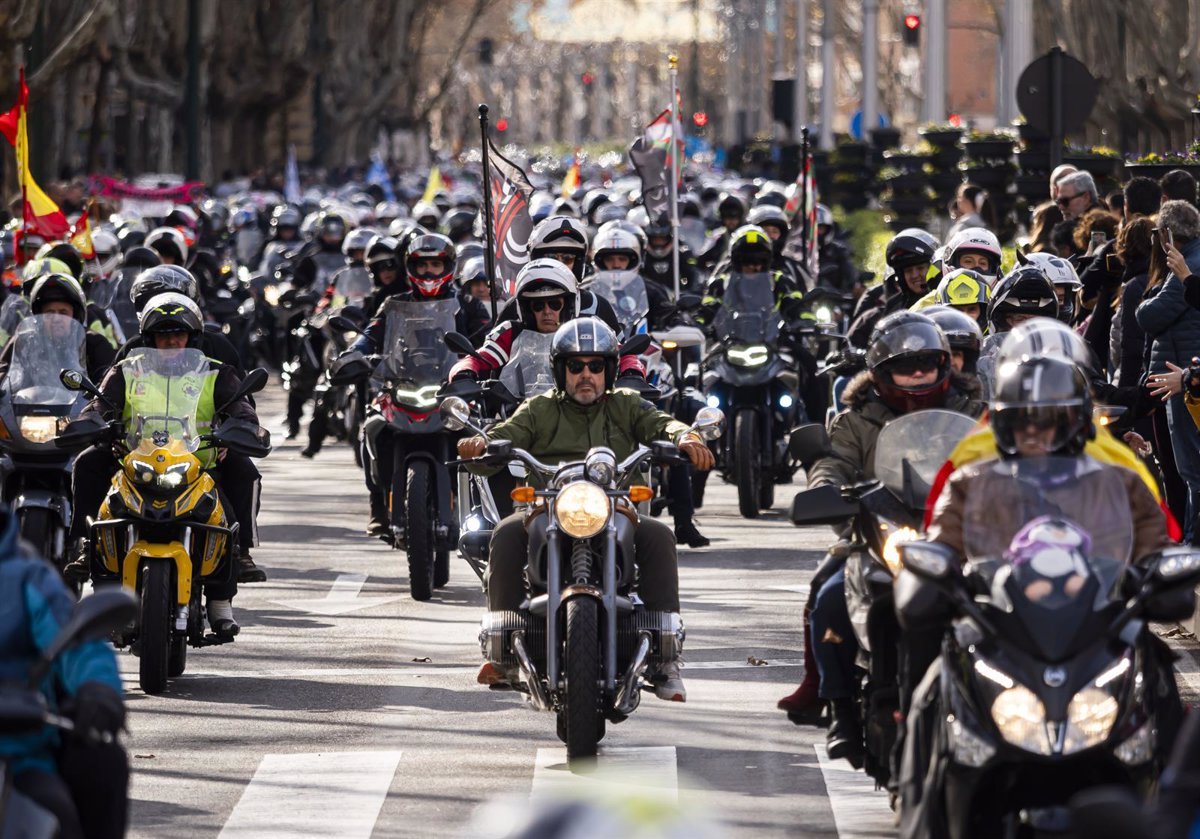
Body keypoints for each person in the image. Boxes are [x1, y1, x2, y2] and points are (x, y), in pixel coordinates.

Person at [456, 317, 715, 700]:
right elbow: (502, 437)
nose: (586, 375)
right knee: (507, 531)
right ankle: (504, 649)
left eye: (595, 366)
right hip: (547, 507)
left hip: (616, 507)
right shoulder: (538, 409)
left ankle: (664, 659)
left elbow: (662, 423)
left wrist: (687, 435)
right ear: (560, 371)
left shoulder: (627, 405)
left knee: (659, 534)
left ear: (609, 371)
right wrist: (479, 446)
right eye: (575, 367)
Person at [777, 312, 982, 757]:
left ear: (945, 363)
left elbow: (1005, 456)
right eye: (905, 366)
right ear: (880, 372)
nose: (917, 375)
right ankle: (838, 705)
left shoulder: (974, 409)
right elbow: (831, 460)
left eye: (926, 363)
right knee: (828, 594)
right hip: (878, 530)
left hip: (959, 535)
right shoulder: (856, 418)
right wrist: (827, 487)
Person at [68, 293, 261, 636]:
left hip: (198, 468)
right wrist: (93, 423)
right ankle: (85, 548)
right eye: (162, 334)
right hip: (133, 465)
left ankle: (222, 597)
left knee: (235, 497)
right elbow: (98, 404)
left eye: (178, 333)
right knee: (87, 464)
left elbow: (242, 409)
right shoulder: (127, 370)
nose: (171, 340)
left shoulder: (216, 373)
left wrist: (240, 428)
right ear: (149, 338)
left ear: (192, 337)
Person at [346, 233, 490, 537]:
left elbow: (487, 343)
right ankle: (377, 505)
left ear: (448, 267)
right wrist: (353, 353)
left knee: (482, 431)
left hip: (452, 390)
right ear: (410, 266)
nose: (428, 273)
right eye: (421, 265)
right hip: (403, 384)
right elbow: (371, 334)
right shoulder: (394, 303)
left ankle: (481, 506)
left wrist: (485, 364)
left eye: (435, 266)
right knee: (371, 428)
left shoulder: (467, 306)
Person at [0, 502, 129, 839]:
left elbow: (77, 643)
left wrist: (97, 689)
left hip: (19, 756)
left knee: (98, 768)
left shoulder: (26, 577)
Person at [1137, 199, 1200, 542]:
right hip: (1186, 378)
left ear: (1166, 235)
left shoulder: (1184, 266)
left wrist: (1149, 294)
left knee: (1191, 469)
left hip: (1187, 383)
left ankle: (1191, 543)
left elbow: (1149, 316)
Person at [0, 273, 115, 384]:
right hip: (28, 403)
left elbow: (109, 383)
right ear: (39, 316)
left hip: (83, 404)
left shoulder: (93, 344)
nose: (56, 319)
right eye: (49, 313)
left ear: (75, 315)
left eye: (63, 312)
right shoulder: (23, 341)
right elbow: (2, 372)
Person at [847, 228, 938, 347]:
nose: (915, 275)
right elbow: (853, 347)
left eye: (920, 268)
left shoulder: (947, 301)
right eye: (908, 271)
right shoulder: (890, 309)